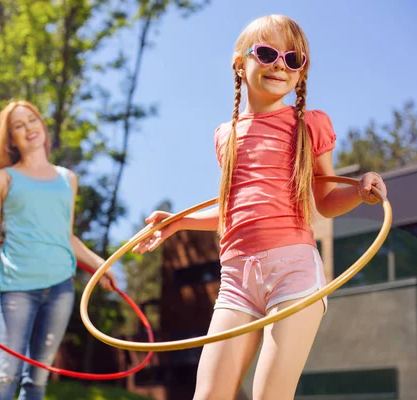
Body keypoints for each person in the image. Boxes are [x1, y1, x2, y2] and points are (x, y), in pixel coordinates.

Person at [133, 14, 387, 400]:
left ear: (301, 72)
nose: (279, 65)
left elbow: (323, 202)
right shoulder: (226, 135)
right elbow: (233, 209)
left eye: (293, 59)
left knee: (270, 395)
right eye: (267, 53)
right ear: (240, 63)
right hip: (236, 279)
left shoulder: (309, 126)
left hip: (294, 273)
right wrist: (179, 223)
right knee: (209, 395)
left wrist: (360, 191)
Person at [0, 100, 117, 400]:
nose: (28, 129)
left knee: (37, 381)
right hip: (17, 288)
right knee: (5, 376)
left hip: (60, 288)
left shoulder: (68, 179)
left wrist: (101, 265)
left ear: (42, 124)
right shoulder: (4, 179)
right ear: (11, 138)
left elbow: (66, 236)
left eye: (32, 120)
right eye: (18, 126)